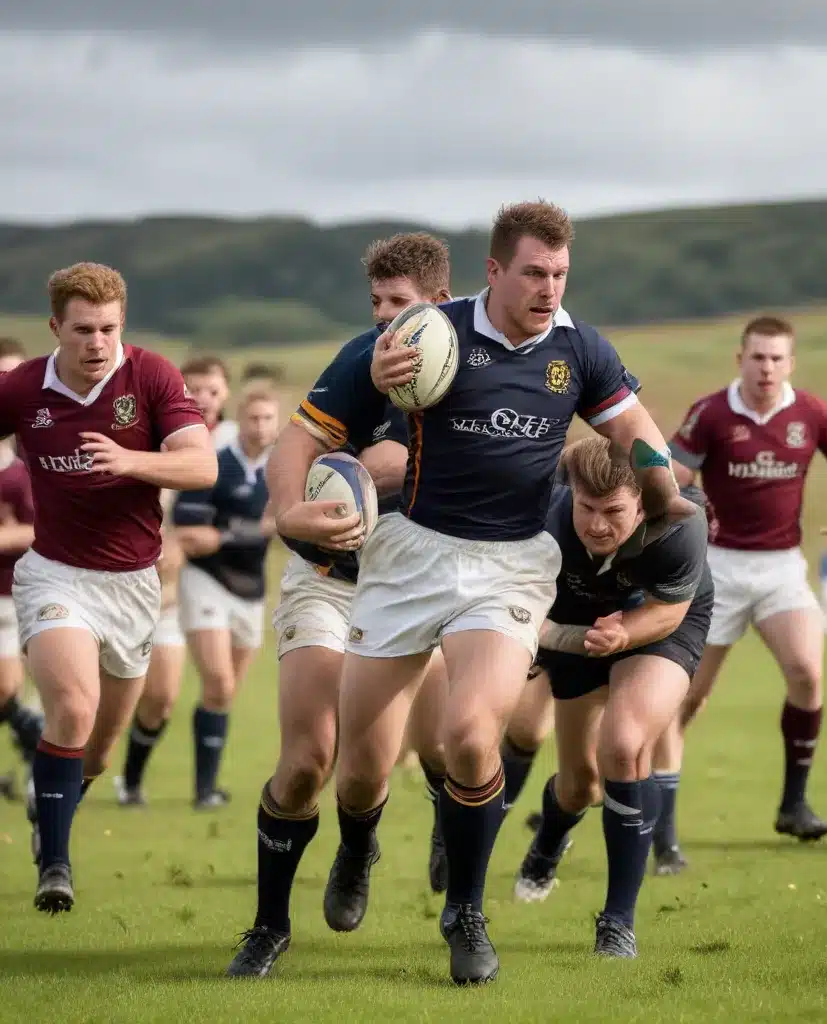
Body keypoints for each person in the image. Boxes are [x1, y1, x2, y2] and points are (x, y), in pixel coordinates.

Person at [330, 200, 692, 987]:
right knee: (359, 764)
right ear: (495, 270)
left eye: (560, 273)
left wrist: (666, 496)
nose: (549, 287)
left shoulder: (580, 348)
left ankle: (465, 912)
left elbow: (637, 431)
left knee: (469, 735)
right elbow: (349, 412)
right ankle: (358, 840)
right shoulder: (435, 333)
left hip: (509, 564)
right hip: (410, 555)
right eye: (534, 272)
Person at [226, 232, 453, 978]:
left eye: (402, 305)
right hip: (327, 575)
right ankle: (267, 929)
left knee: (376, 768)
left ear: (441, 305)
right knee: (306, 762)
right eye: (378, 304)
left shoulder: (483, 374)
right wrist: (291, 510)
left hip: (414, 588)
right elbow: (295, 444)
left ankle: (359, 845)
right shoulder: (362, 357)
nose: (387, 320)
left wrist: (403, 464)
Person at [0, 262, 215, 913]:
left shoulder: (149, 375)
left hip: (134, 587)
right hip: (55, 574)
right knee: (72, 706)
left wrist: (131, 461)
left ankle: (53, 804)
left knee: (97, 749)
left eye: (109, 329)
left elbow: (201, 464)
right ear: (55, 328)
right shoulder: (21, 389)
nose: (98, 343)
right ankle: (56, 866)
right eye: (84, 329)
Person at [669, 315, 827, 841]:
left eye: (777, 358)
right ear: (741, 359)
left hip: (782, 569)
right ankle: (655, 813)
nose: (767, 367)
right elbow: (671, 479)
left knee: (806, 671)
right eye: (758, 357)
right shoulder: (710, 413)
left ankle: (794, 806)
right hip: (719, 568)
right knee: (685, 698)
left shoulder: (812, 413)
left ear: (791, 363)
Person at [510, 437, 709, 958]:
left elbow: (669, 612)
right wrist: (553, 635)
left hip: (664, 621)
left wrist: (624, 635)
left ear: (642, 501)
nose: (598, 525)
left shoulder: (681, 521)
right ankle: (550, 839)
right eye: (587, 509)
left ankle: (617, 921)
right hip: (578, 622)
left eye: (613, 512)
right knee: (580, 785)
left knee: (623, 744)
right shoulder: (546, 519)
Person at [115, 355, 236, 806]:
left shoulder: (233, 444)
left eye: (213, 389)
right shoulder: (155, 437)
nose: (203, 398)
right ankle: (116, 780)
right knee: (138, 697)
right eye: (194, 389)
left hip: (196, 584)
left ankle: (186, 786)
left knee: (193, 692)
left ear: (226, 393)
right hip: (137, 578)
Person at [172, 388, 280, 807]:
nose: (260, 426)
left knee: (226, 691)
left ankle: (209, 786)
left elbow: (288, 526)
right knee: (217, 681)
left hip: (251, 589)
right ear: (240, 419)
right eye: (253, 418)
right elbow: (190, 534)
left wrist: (227, 532)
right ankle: (203, 792)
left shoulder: (284, 471)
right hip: (207, 581)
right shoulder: (214, 465)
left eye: (268, 418)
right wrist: (255, 528)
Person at [0, 339, 43, 791]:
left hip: (21, 588)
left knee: (13, 686)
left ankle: (35, 741)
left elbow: (40, 527)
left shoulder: (30, 459)